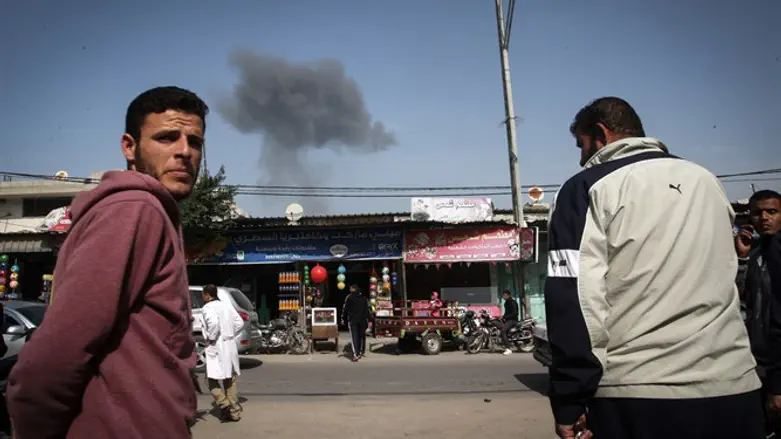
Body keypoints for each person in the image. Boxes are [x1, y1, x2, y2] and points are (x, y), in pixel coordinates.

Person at [546, 96, 763, 439]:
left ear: (601, 134)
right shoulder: (707, 181)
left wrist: (570, 399)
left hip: (640, 395)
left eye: (581, 145)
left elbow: (575, 302)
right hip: (737, 389)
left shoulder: (586, 189)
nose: (580, 157)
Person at [6, 86, 207, 438]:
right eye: (166, 137)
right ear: (129, 146)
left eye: (195, 141)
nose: (184, 152)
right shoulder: (135, 210)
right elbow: (54, 355)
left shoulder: (147, 210)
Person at [736, 190, 781, 435]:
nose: (764, 218)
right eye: (757, 213)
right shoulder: (755, 253)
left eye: (772, 212)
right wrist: (742, 259)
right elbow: (738, 299)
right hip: (757, 363)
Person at [198, 284, 244, 423]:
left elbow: (213, 324)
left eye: (203, 294)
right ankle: (234, 412)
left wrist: (212, 338)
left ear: (207, 295)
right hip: (228, 345)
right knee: (229, 379)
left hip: (216, 345)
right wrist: (229, 334)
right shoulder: (226, 305)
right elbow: (239, 323)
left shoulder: (208, 308)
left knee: (210, 379)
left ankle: (224, 403)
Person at [342, 284, 370, 362]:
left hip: (353, 320)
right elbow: (366, 311)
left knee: (354, 337)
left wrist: (343, 319)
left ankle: (356, 354)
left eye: (351, 288)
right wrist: (369, 319)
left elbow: (346, 310)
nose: (350, 290)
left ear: (354, 289)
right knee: (361, 336)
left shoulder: (350, 298)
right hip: (362, 321)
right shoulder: (364, 299)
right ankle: (360, 352)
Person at [500, 290, 519, 356]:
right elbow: (506, 313)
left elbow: (515, 313)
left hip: (513, 320)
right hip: (508, 319)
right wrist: (502, 317)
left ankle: (508, 349)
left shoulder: (513, 302)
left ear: (508, 295)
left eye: (504, 295)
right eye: (503, 295)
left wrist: (506, 317)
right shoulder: (506, 303)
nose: (503, 297)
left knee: (503, 331)